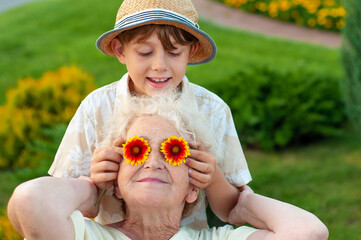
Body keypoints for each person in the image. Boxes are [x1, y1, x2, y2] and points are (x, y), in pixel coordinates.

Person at [8, 94, 329, 240]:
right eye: (137, 149)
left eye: (173, 151)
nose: (154, 161)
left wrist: (237, 206)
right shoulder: (86, 235)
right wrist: (90, 191)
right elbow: (28, 202)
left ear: (193, 188)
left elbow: (308, 232)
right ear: (116, 182)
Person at [48, 0, 252, 228]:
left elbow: (231, 211)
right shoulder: (96, 108)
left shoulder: (212, 110)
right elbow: (62, 208)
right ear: (120, 50)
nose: (159, 65)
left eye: (174, 52)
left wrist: (213, 178)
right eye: (145, 52)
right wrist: (93, 185)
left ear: (191, 51)